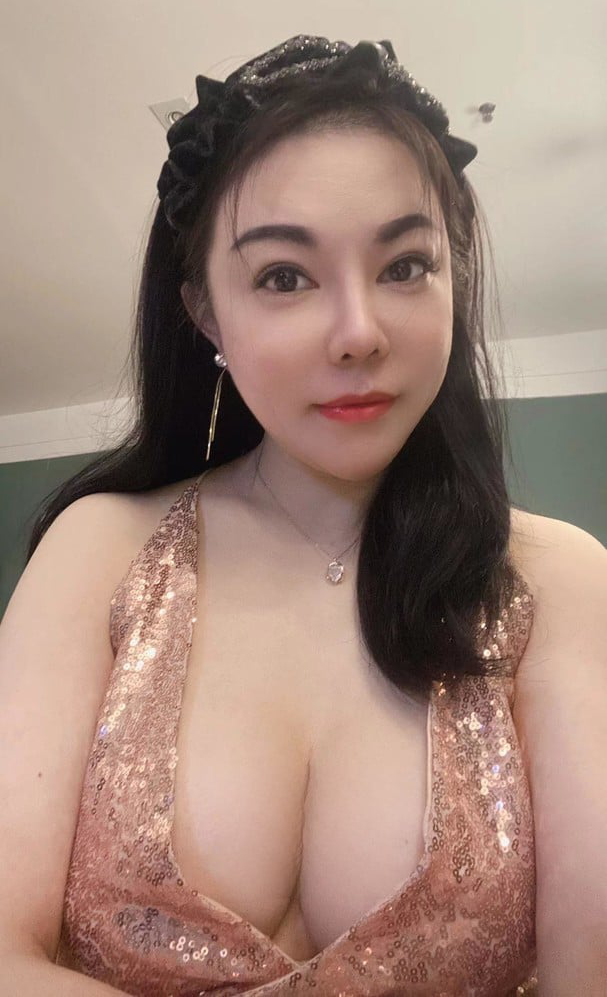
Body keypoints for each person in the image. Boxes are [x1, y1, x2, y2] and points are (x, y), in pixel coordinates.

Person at [1, 33, 606, 997]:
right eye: (284, 276)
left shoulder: (559, 581)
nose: (358, 332)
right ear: (205, 311)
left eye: (405, 265)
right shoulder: (99, 550)